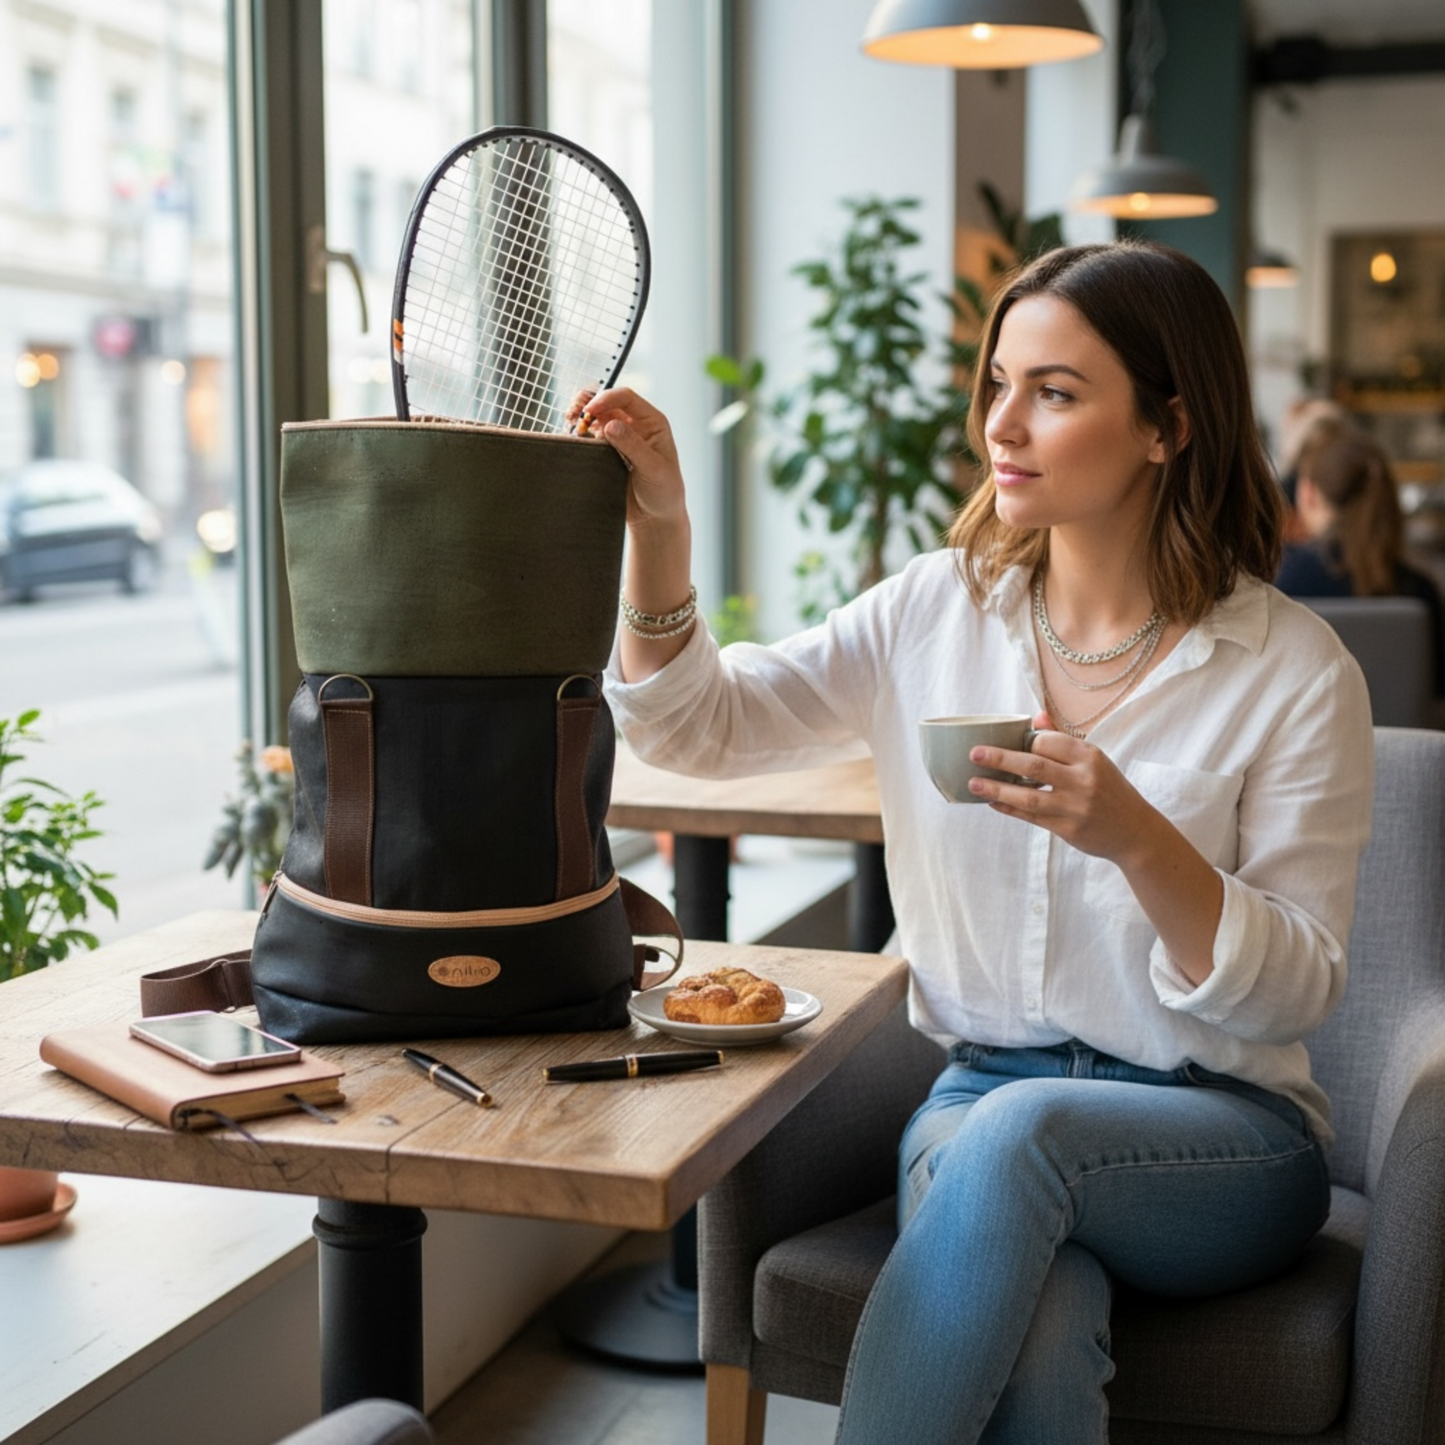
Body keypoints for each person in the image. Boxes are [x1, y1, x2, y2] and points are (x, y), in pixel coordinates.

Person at [577, 238, 1374, 1445]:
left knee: (1021, 1138)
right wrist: (663, 526)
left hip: (1225, 1138)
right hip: (977, 1100)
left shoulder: (1292, 670)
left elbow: (1296, 989)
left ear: (1167, 425)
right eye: (997, 382)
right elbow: (699, 727)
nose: (1001, 422)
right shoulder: (932, 610)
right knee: (1040, 1315)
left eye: (1053, 393)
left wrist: (1136, 836)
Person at [1275, 428, 1445, 697]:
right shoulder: (1422, 590)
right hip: (1402, 740)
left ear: (1307, 493)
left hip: (1312, 737)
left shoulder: (1283, 579)